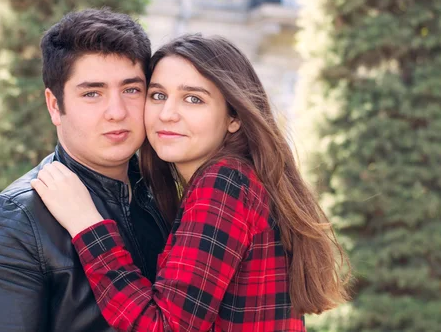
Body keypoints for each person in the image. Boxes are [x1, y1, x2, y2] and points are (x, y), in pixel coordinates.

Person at [32, 34, 350, 331]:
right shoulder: (232, 179)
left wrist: (87, 225)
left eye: (193, 99)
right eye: (158, 95)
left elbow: (164, 325)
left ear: (233, 117)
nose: (168, 113)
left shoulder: (225, 183)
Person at [0, 8, 169, 332]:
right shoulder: (14, 223)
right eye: (92, 93)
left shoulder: (164, 196)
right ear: (55, 105)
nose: (116, 112)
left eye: (131, 89)